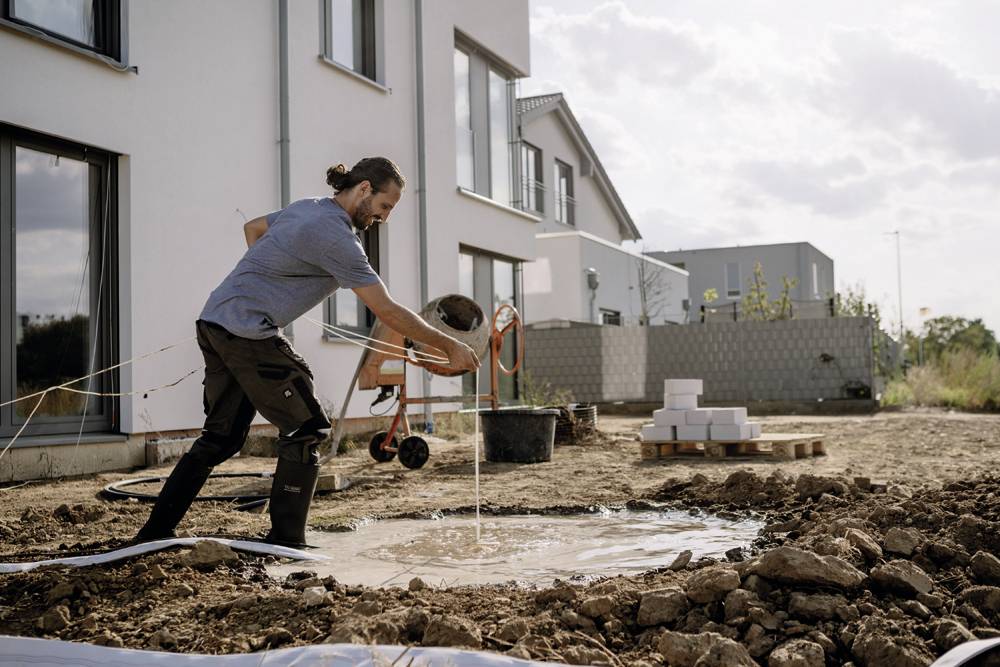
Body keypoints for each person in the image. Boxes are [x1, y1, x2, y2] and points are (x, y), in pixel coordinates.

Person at [136, 157, 480, 546]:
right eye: (386, 206)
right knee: (306, 427)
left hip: (215, 321)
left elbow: (253, 228)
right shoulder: (338, 238)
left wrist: (272, 282)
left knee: (221, 438)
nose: (385, 216)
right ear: (364, 189)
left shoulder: (307, 207)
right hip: (247, 331)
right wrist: (450, 343)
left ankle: (155, 531)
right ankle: (286, 541)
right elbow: (385, 309)